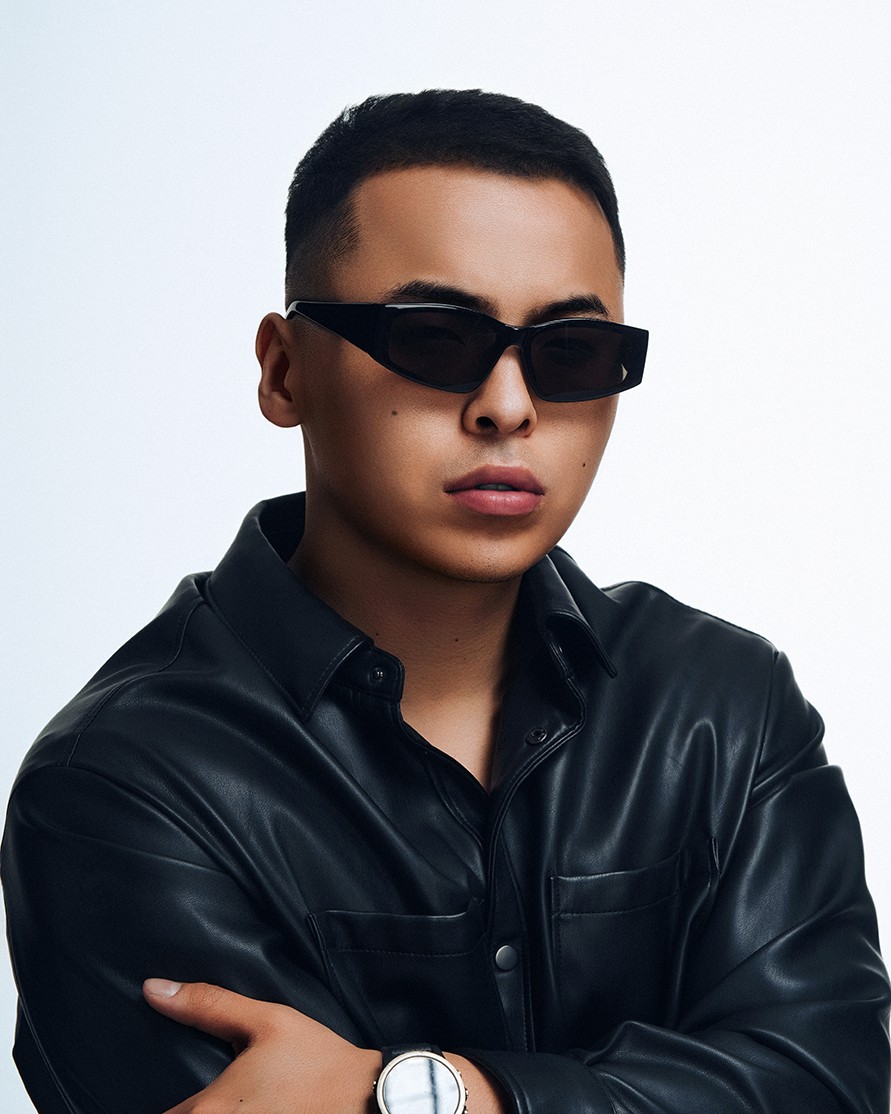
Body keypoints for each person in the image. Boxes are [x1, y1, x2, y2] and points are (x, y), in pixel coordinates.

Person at [2, 89, 888, 1114]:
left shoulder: (725, 710)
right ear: (285, 371)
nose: (508, 406)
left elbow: (834, 1080)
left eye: (570, 353)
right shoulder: (122, 784)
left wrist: (432, 1094)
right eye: (434, 339)